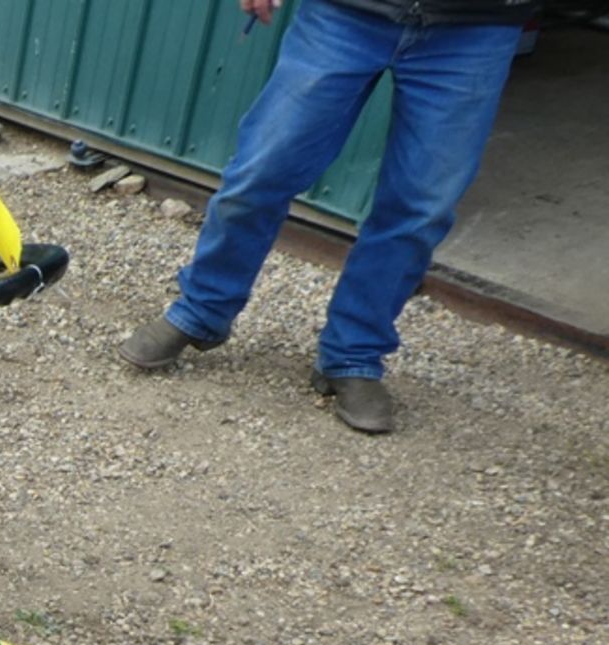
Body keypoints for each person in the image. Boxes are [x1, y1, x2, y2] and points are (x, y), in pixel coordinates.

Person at [119, 0, 536, 433]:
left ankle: (352, 354)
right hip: (346, 14)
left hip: (476, 29)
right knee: (261, 171)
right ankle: (202, 310)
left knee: (419, 208)